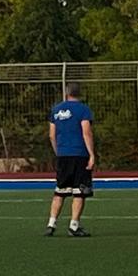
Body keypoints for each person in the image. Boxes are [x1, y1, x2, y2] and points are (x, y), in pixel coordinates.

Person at [46, 83, 96, 238]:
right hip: (79, 154)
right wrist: (92, 154)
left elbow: (52, 135)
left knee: (59, 192)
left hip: (63, 155)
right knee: (79, 192)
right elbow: (86, 132)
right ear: (79, 93)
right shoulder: (83, 109)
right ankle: (74, 226)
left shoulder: (56, 110)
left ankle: (51, 223)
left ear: (66, 93)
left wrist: (58, 152)